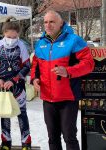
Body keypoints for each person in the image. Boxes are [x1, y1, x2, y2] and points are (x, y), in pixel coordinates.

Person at [31, 11, 94, 150]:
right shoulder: (40, 42)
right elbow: (35, 65)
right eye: (46, 22)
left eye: (52, 22)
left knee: (69, 137)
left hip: (67, 98)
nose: (48, 25)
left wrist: (68, 71)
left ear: (61, 23)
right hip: (48, 98)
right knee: (52, 138)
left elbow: (89, 64)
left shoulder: (74, 40)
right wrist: (34, 79)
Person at [0, 21, 32, 150]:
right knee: (5, 113)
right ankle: (6, 142)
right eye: (9, 37)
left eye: (14, 37)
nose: (12, 40)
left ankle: (26, 143)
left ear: (18, 34)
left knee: (22, 114)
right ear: (4, 34)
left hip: (17, 85)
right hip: (2, 85)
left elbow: (27, 66)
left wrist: (14, 80)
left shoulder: (22, 46)